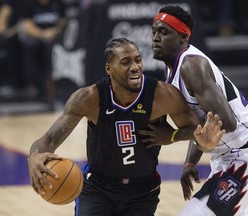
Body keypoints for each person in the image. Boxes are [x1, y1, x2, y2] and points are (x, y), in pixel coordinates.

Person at [27, 38, 225, 216]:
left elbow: (198, 133)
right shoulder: (89, 98)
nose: (135, 67)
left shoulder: (162, 95)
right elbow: (49, 141)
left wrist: (175, 137)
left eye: (138, 60)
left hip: (142, 192)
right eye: (125, 62)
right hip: (98, 188)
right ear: (109, 69)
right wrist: (34, 156)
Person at [144, 5, 248, 216]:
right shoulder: (174, 68)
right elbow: (201, 121)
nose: (155, 37)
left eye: (163, 32)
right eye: (154, 31)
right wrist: (190, 161)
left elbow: (225, 122)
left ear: (182, 37)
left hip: (247, 156)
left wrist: (172, 136)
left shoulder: (191, 66)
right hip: (226, 157)